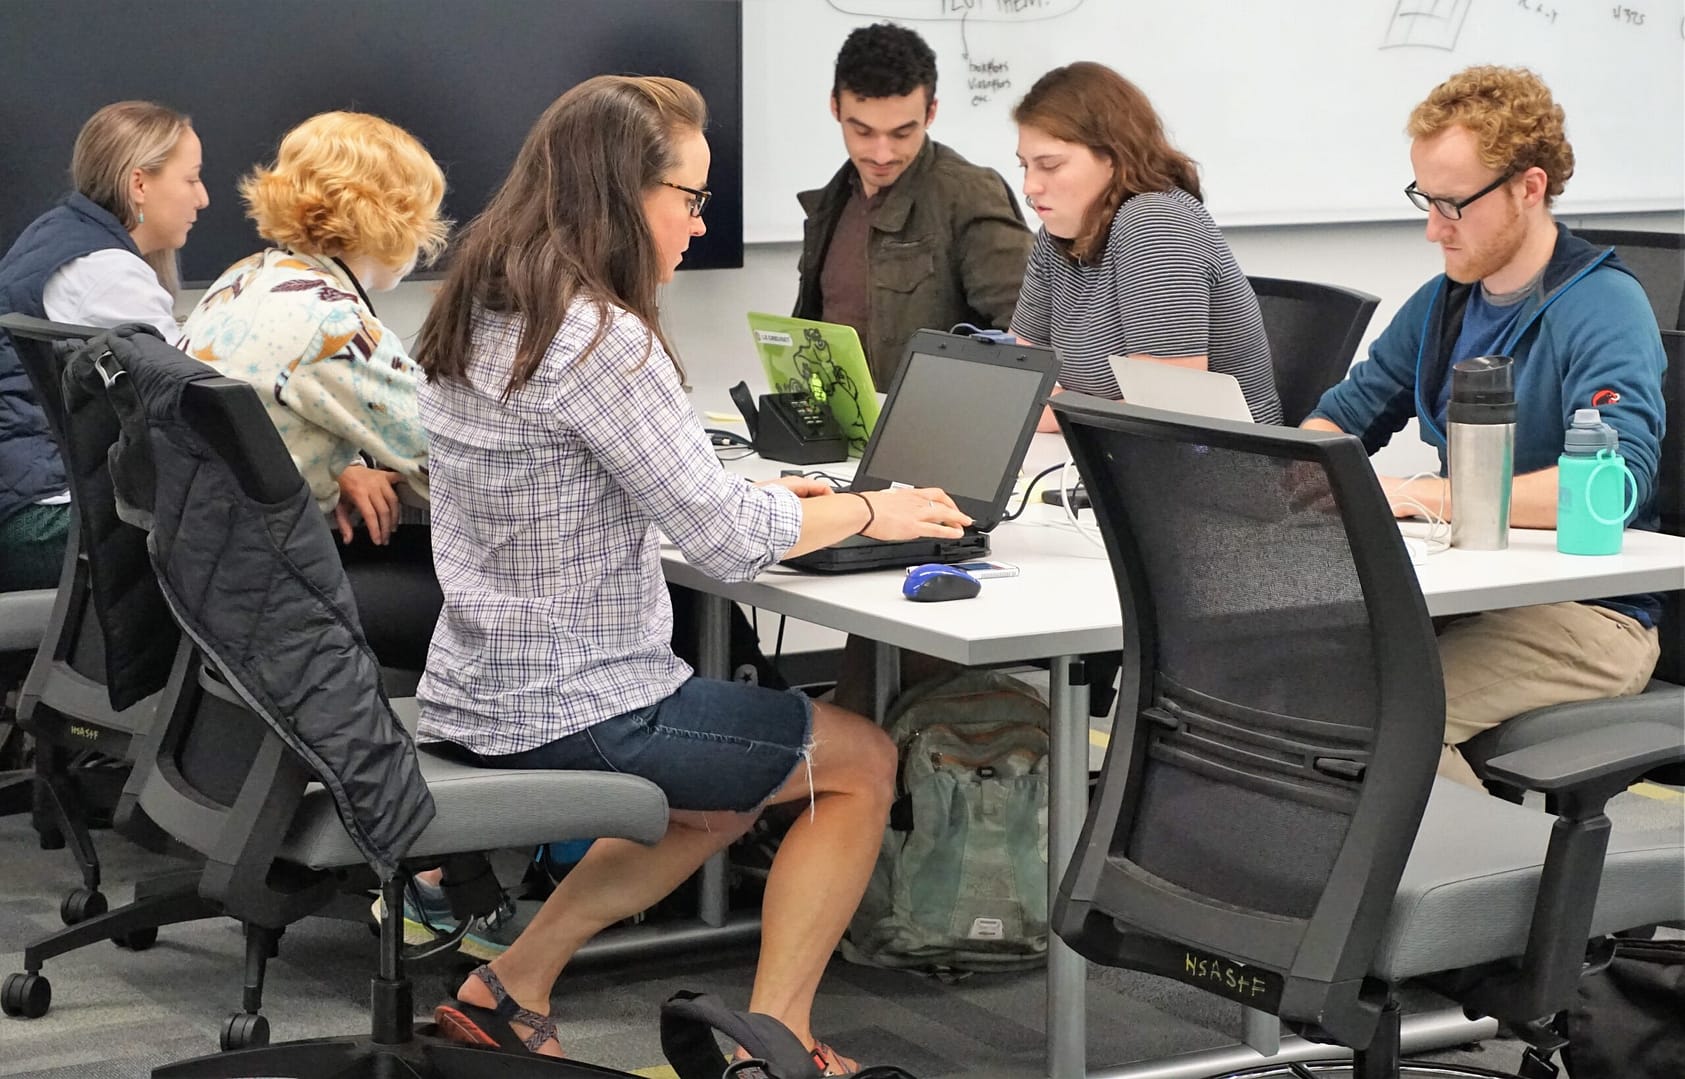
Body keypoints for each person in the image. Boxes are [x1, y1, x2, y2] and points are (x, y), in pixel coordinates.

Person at [410, 75, 971, 1071]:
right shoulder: (599, 336)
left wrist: (788, 503)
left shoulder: (492, 305)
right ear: (623, 194)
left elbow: (631, 484)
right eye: (690, 198)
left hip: (478, 684)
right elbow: (716, 539)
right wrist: (870, 508)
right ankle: (779, 1039)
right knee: (858, 763)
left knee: (720, 792)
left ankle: (511, 984)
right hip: (582, 698)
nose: (697, 224)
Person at [1302, 66, 1666, 787]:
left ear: (1528, 188)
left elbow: (1615, 482)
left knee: (1383, 717)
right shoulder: (1445, 304)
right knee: (1290, 684)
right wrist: (1292, 471)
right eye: (1424, 199)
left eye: (1452, 205)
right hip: (1473, 592)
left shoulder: (1602, 306)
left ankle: (1506, 895)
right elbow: (1342, 417)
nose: (1433, 227)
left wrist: (1422, 494)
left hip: (1591, 619)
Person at [176, 112, 447, 673]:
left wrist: (329, 469)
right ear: (390, 217)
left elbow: (263, 423)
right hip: (280, 594)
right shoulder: (333, 324)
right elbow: (448, 463)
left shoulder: (245, 278)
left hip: (212, 577)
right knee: (528, 612)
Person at [0, 101, 205, 591]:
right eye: (192, 179)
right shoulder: (104, 274)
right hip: (43, 521)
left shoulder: (59, 232)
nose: (203, 199)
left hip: (23, 502)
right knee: (236, 546)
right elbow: (197, 408)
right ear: (140, 184)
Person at [1008, 62, 1282, 430]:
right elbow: (1017, 379)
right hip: (1105, 455)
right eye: (1025, 166)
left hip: (1221, 469)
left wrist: (1051, 406)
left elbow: (1167, 411)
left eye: (1050, 166)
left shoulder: (1155, 223)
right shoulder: (1057, 233)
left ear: (1113, 157)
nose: (1030, 187)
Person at [794, 22, 1032, 385]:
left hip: (937, 429)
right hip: (843, 426)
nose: (881, 153)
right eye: (863, 132)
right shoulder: (832, 201)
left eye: (902, 133)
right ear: (835, 107)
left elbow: (1027, 335)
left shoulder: (969, 194)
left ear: (931, 112)